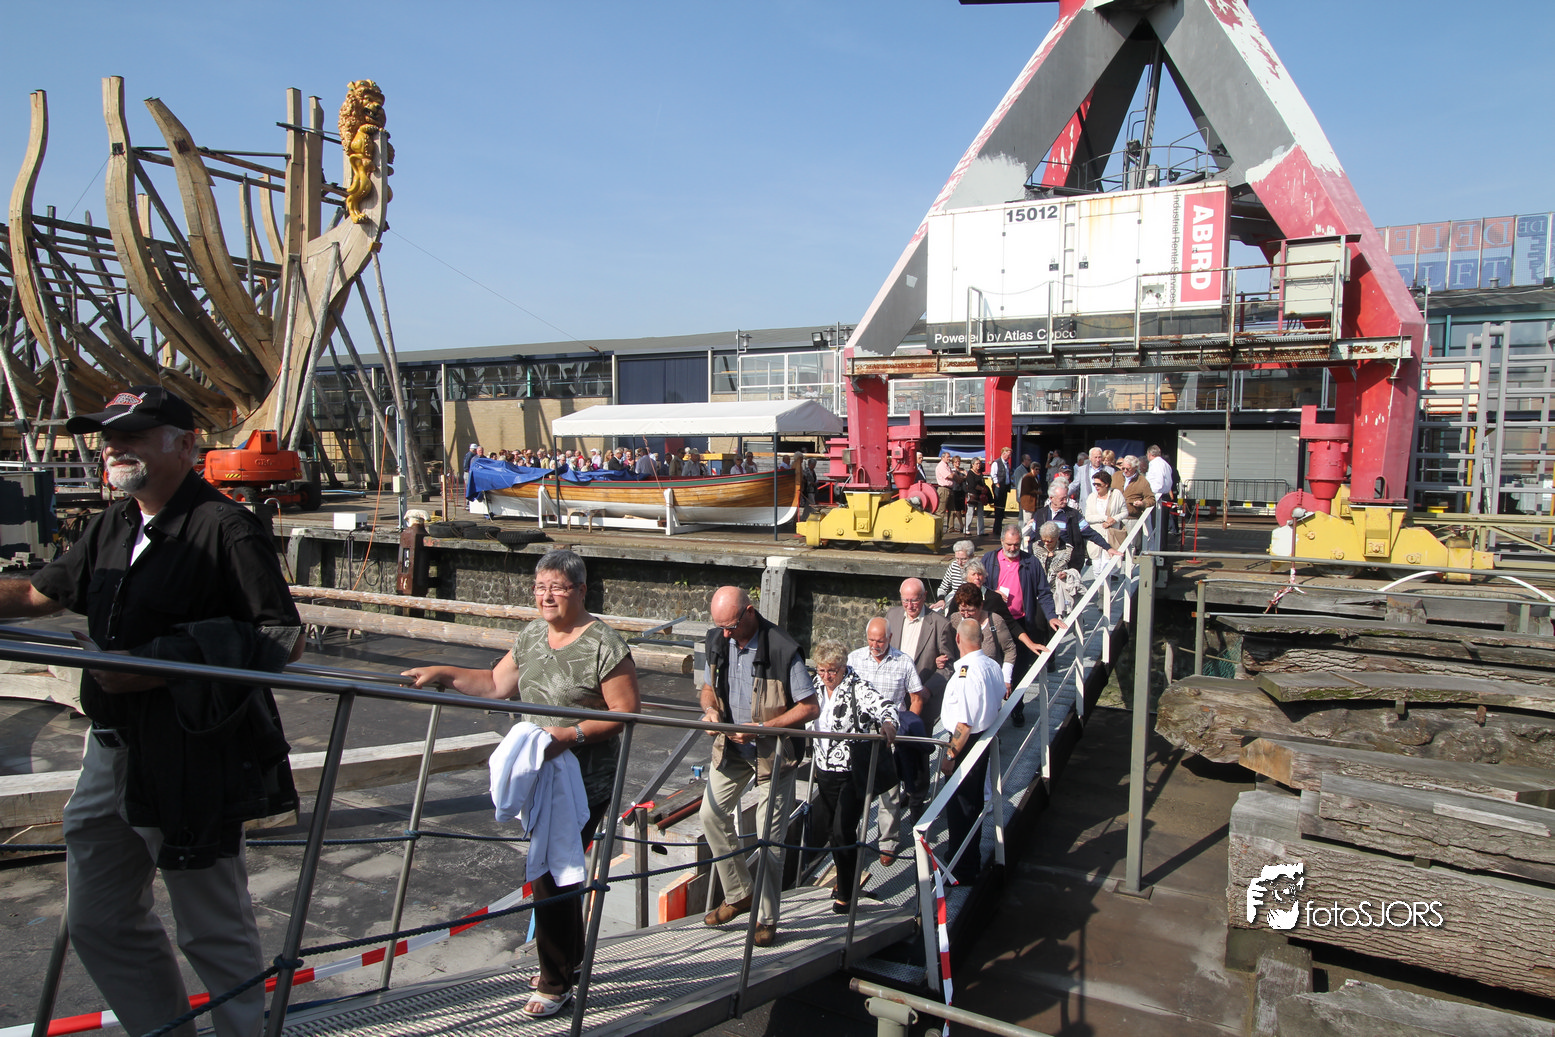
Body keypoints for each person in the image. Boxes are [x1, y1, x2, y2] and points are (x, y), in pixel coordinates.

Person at [0, 386, 304, 1037]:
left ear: (185, 444)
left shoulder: (224, 527)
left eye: (133, 435)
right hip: (110, 747)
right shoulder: (112, 524)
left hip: (188, 754)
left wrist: (158, 664)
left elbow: (282, 636)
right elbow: (38, 594)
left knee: (211, 926)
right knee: (98, 918)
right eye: (109, 437)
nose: (115, 448)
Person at [403, 548, 640, 1018]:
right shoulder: (532, 635)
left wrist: (569, 735)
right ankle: (569, 961)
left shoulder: (605, 645)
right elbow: (495, 683)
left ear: (580, 591)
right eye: (540, 587)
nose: (547, 596)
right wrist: (443, 673)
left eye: (557, 588)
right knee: (559, 870)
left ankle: (555, 983)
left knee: (551, 873)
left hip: (584, 780)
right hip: (541, 777)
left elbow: (626, 713)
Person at [698, 587, 818, 948]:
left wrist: (763, 728)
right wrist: (711, 710)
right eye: (721, 627)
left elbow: (810, 707)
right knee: (711, 815)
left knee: (769, 839)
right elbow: (707, 688)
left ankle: (766, 919)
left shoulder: (782, 648)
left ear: (750, 612)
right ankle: (739, 893)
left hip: (773, 754)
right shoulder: (718, 640)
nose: (726, 634)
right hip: (732, 750)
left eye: (731, 626)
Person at [805, 640, 898, 912]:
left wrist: (888, 723)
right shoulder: (815, 686)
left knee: (842, 830)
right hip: (823, 771)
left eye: (832, 671)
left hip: (850, 773)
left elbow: (886, 707)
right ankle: (848, 878)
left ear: (843, 667)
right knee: (830, 831)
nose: (826, 676)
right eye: (822, 670)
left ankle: (846, 894)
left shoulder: (859, 688)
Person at [847, 618, 924, 866]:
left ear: (890, 638)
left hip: (890, 736)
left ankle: (888, 843)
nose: (874, 645)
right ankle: (852, 839)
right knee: (856, 790)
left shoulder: (903, 661)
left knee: (890, 793)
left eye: (879, 640)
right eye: (870, 640)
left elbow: (916, 698)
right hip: (860, 735)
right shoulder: (854, 659)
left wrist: (905, 730)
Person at [939, 619, 1004, 885]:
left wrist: (950, 756)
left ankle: (961, 869)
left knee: (960, 810)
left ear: (958, 639)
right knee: (973, 805)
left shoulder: (966, 673)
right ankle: (966, 859)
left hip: (964, 745)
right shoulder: (992, 665)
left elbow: (964, 724)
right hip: (982, 741)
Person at [980, 522, 1064, 727]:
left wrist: (1051, 616)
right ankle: (992, 713)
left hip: (1021, 623)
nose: (1012, 548)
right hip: (995, 624)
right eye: (1009, 544)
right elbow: (978, 585)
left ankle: (1017, 708)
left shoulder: (1031, 562)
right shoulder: (989, 560)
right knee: (993, 666)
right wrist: (991, 594)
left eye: (1016, 544)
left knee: (1019, 669)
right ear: (1002, 541)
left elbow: (1044, 592)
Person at [885, 578, 956, 732]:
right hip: (892, 700)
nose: (909, 606)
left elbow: (949, 666)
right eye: (905, 600)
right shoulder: (892, 616)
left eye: (914, 600)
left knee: (917, 745)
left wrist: (928, 689)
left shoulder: (940, 624)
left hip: (922, 702)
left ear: (924, 596)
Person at [1026, 481, 1115, 565]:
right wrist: (1030, 561)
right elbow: (1033, 540)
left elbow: (1090, 533)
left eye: (1066, 498)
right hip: (1043, 562)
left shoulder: (1074, 515)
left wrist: (1108, 548)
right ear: (1051, 498)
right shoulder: (1040, 514)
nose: (1065, 501)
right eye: (1062, 499)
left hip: (1067, 563)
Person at [953, 582, 1016, 696]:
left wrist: (1006, 678)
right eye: (962, 610)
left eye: (971, 610)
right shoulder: (954, 620)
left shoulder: (995, 621)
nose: (966, 615)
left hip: (989, 683)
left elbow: (1010, 649)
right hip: (961, 683)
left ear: (981, 606)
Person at [1032, 521, 1080, 618]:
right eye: (1044, 540)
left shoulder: (1068, 550)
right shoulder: (1035, 546)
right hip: (1039, 591)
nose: (1046, 543)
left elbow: (1075, 569)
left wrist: (1066, 574)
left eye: (1050, 541)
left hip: (1058, 592)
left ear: (1057, 537)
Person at [1083, 469, 1130, 557]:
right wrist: (1105, 518)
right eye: (1094, 484)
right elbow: (1088, 517)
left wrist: (1114, 519)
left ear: (1106, 484)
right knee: (1096, 563)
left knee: (1110, 561)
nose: (1096, 486)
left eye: (1099, 484)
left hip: (1112, 536)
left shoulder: (1116, 494)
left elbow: (1125, 512)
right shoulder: (1091, 497)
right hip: (1095, 538)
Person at [1119, 455, 1157, 543]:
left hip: (1131, 518)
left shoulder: (1143, 481)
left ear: (1135, 467)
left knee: (1131, 544)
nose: (1125, 471)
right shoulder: (1116, 476)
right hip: (1115, 516)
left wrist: (1143, 503)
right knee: (1116, 544)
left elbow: (1151, 499)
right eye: (1123, 468)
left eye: (1128, 469)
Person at [933, 540, 976, 611]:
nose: (959, 562)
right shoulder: (954, 565)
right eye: (957, 559)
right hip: (955, 597)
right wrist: (941, 599)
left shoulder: (976, 568)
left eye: (963, 559)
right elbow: (943, 587)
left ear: (971, 557)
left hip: (971, 599)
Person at [1146, 444, 1177, 542]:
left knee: (1157, 526)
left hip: (1158, 497)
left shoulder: (1155, 464)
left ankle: (1158, 548)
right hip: (1164, 496)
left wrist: (1149, 494)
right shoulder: (1165, 464)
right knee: (1162, 527)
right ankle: (1161, 548)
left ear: (1149, 454)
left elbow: (1158, 483)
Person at [963, 460, 991, 538]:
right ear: (972, 464)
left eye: (979, 463)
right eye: (977, 464)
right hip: (972, 495)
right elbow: (972, 484)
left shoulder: (980, 473)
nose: (979, 465)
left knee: (980, 513)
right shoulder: (970, 474)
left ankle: (981, 531)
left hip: (980, 496)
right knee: (970, 512)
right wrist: (982, 488)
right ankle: (966, 529)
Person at [990, 446, 1013, 533]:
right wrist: (997, 484)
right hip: (999, 488)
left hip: (1005, 487)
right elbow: (993, 474)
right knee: (998, 508)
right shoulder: (996, 463)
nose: (1010, 456)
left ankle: (999, 527)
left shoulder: (1007, 464)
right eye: (1009, 455)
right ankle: (997, 529)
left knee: (1002, 508)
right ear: (1004, 454)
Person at [1017, 463, 1042, 539]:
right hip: (1028, 504)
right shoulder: (1027, 477)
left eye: (1039, 469)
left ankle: (1031, 537)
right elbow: (1028, 490)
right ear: (1032, 469)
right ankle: (1024, 538)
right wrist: (1037, 492)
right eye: (1036, 469)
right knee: (1027, 523)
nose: (1038, 471)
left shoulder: (1035, 477)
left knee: (1033, 522)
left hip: (1034, 504)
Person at [933, 453, 954, 528]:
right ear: (943, 457)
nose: (949, 458)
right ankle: (939, 528)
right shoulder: (941, 466)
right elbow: (950, 476)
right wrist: (955, 474)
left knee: (952, 510)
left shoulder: (947, 466)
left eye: (949, 457)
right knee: (941, 510)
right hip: (943, 489)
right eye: (948, 457)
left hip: (950, 489)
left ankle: (951, 527)